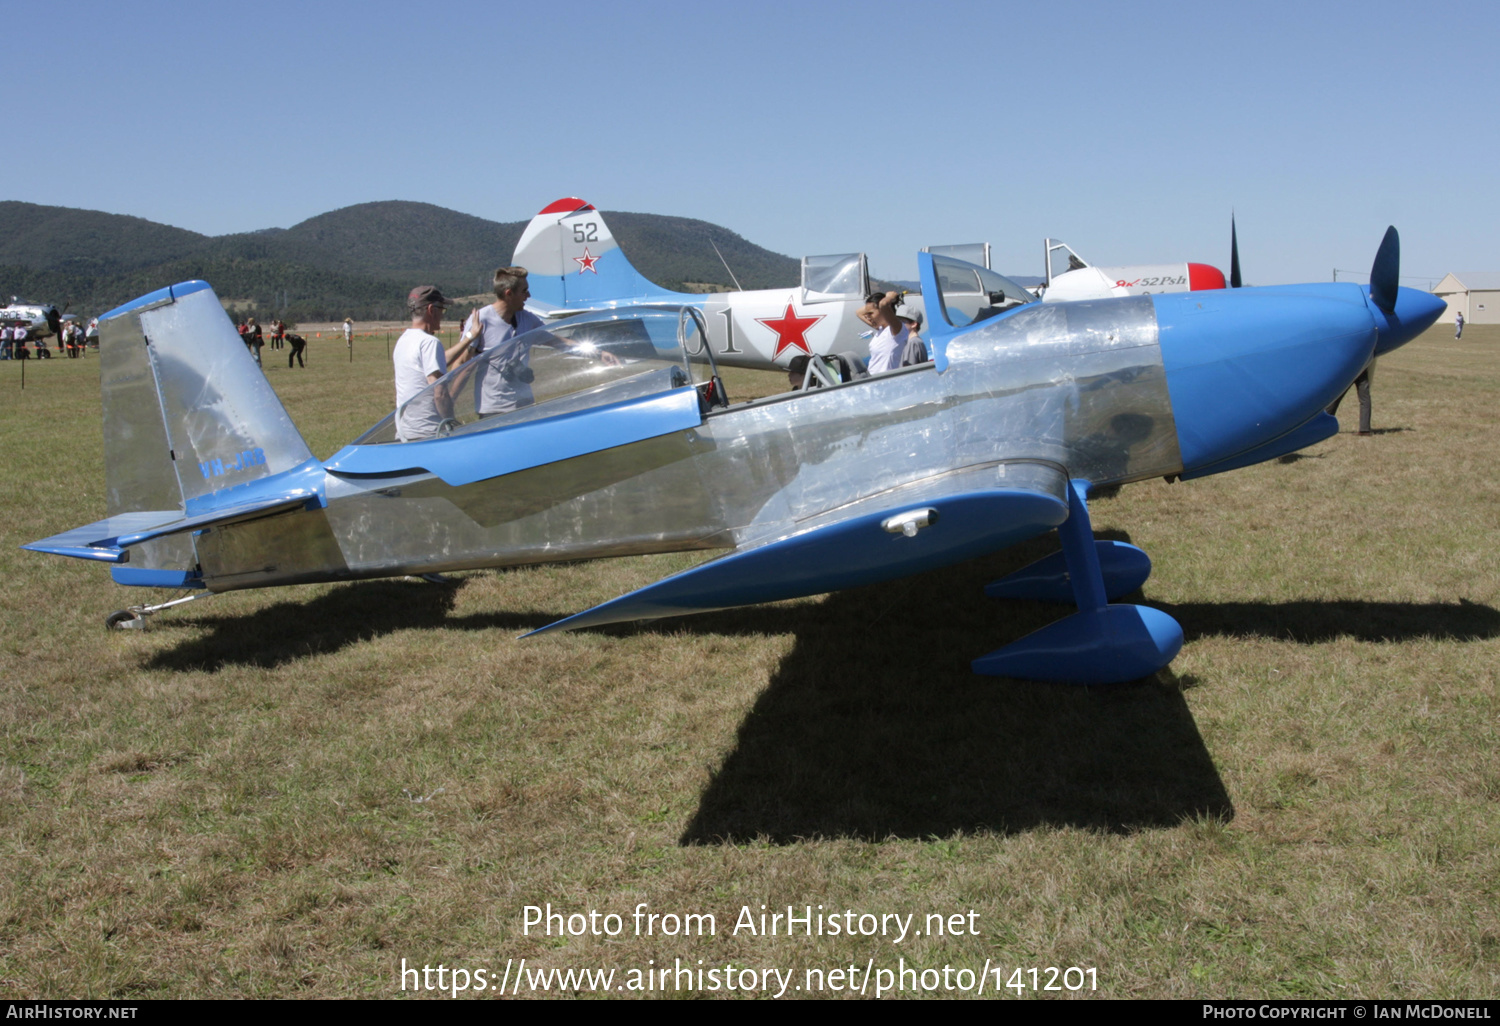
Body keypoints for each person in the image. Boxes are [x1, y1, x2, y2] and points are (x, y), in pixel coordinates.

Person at [462, 266, 550, 416]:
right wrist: (447, 400)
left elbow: (557, 341)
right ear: (509, 294)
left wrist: (597, 353)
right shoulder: (481, 320)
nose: (528, 295)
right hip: (494, 410)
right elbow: (463, 363)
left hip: (524, 406)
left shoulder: (528, 319)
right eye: (524, 291)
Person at [392, 286, 471, 441]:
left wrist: (469, 338)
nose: (442, 314)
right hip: (429, 432)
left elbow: (439, 360)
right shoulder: (430, 342)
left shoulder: (404, 340)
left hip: (405, 431)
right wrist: (451, 422)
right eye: (441, 309)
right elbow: (439, 392)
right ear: (431, 309)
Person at [859, 290, 910, 375]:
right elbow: (858, 312)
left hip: (885, 380)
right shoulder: (880, 329)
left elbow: (883, 304)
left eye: (871, 313)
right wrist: (871, 306)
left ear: (883, 311)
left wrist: (890, 298)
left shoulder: (896, 329)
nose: (867, 317)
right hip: (874, 380)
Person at [1326, 359, 1374, 436]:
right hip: (1363, 365)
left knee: (1337, 395)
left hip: (1350, 367)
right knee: (1365, 399)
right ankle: (1365, 429)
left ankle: (1325, 422)